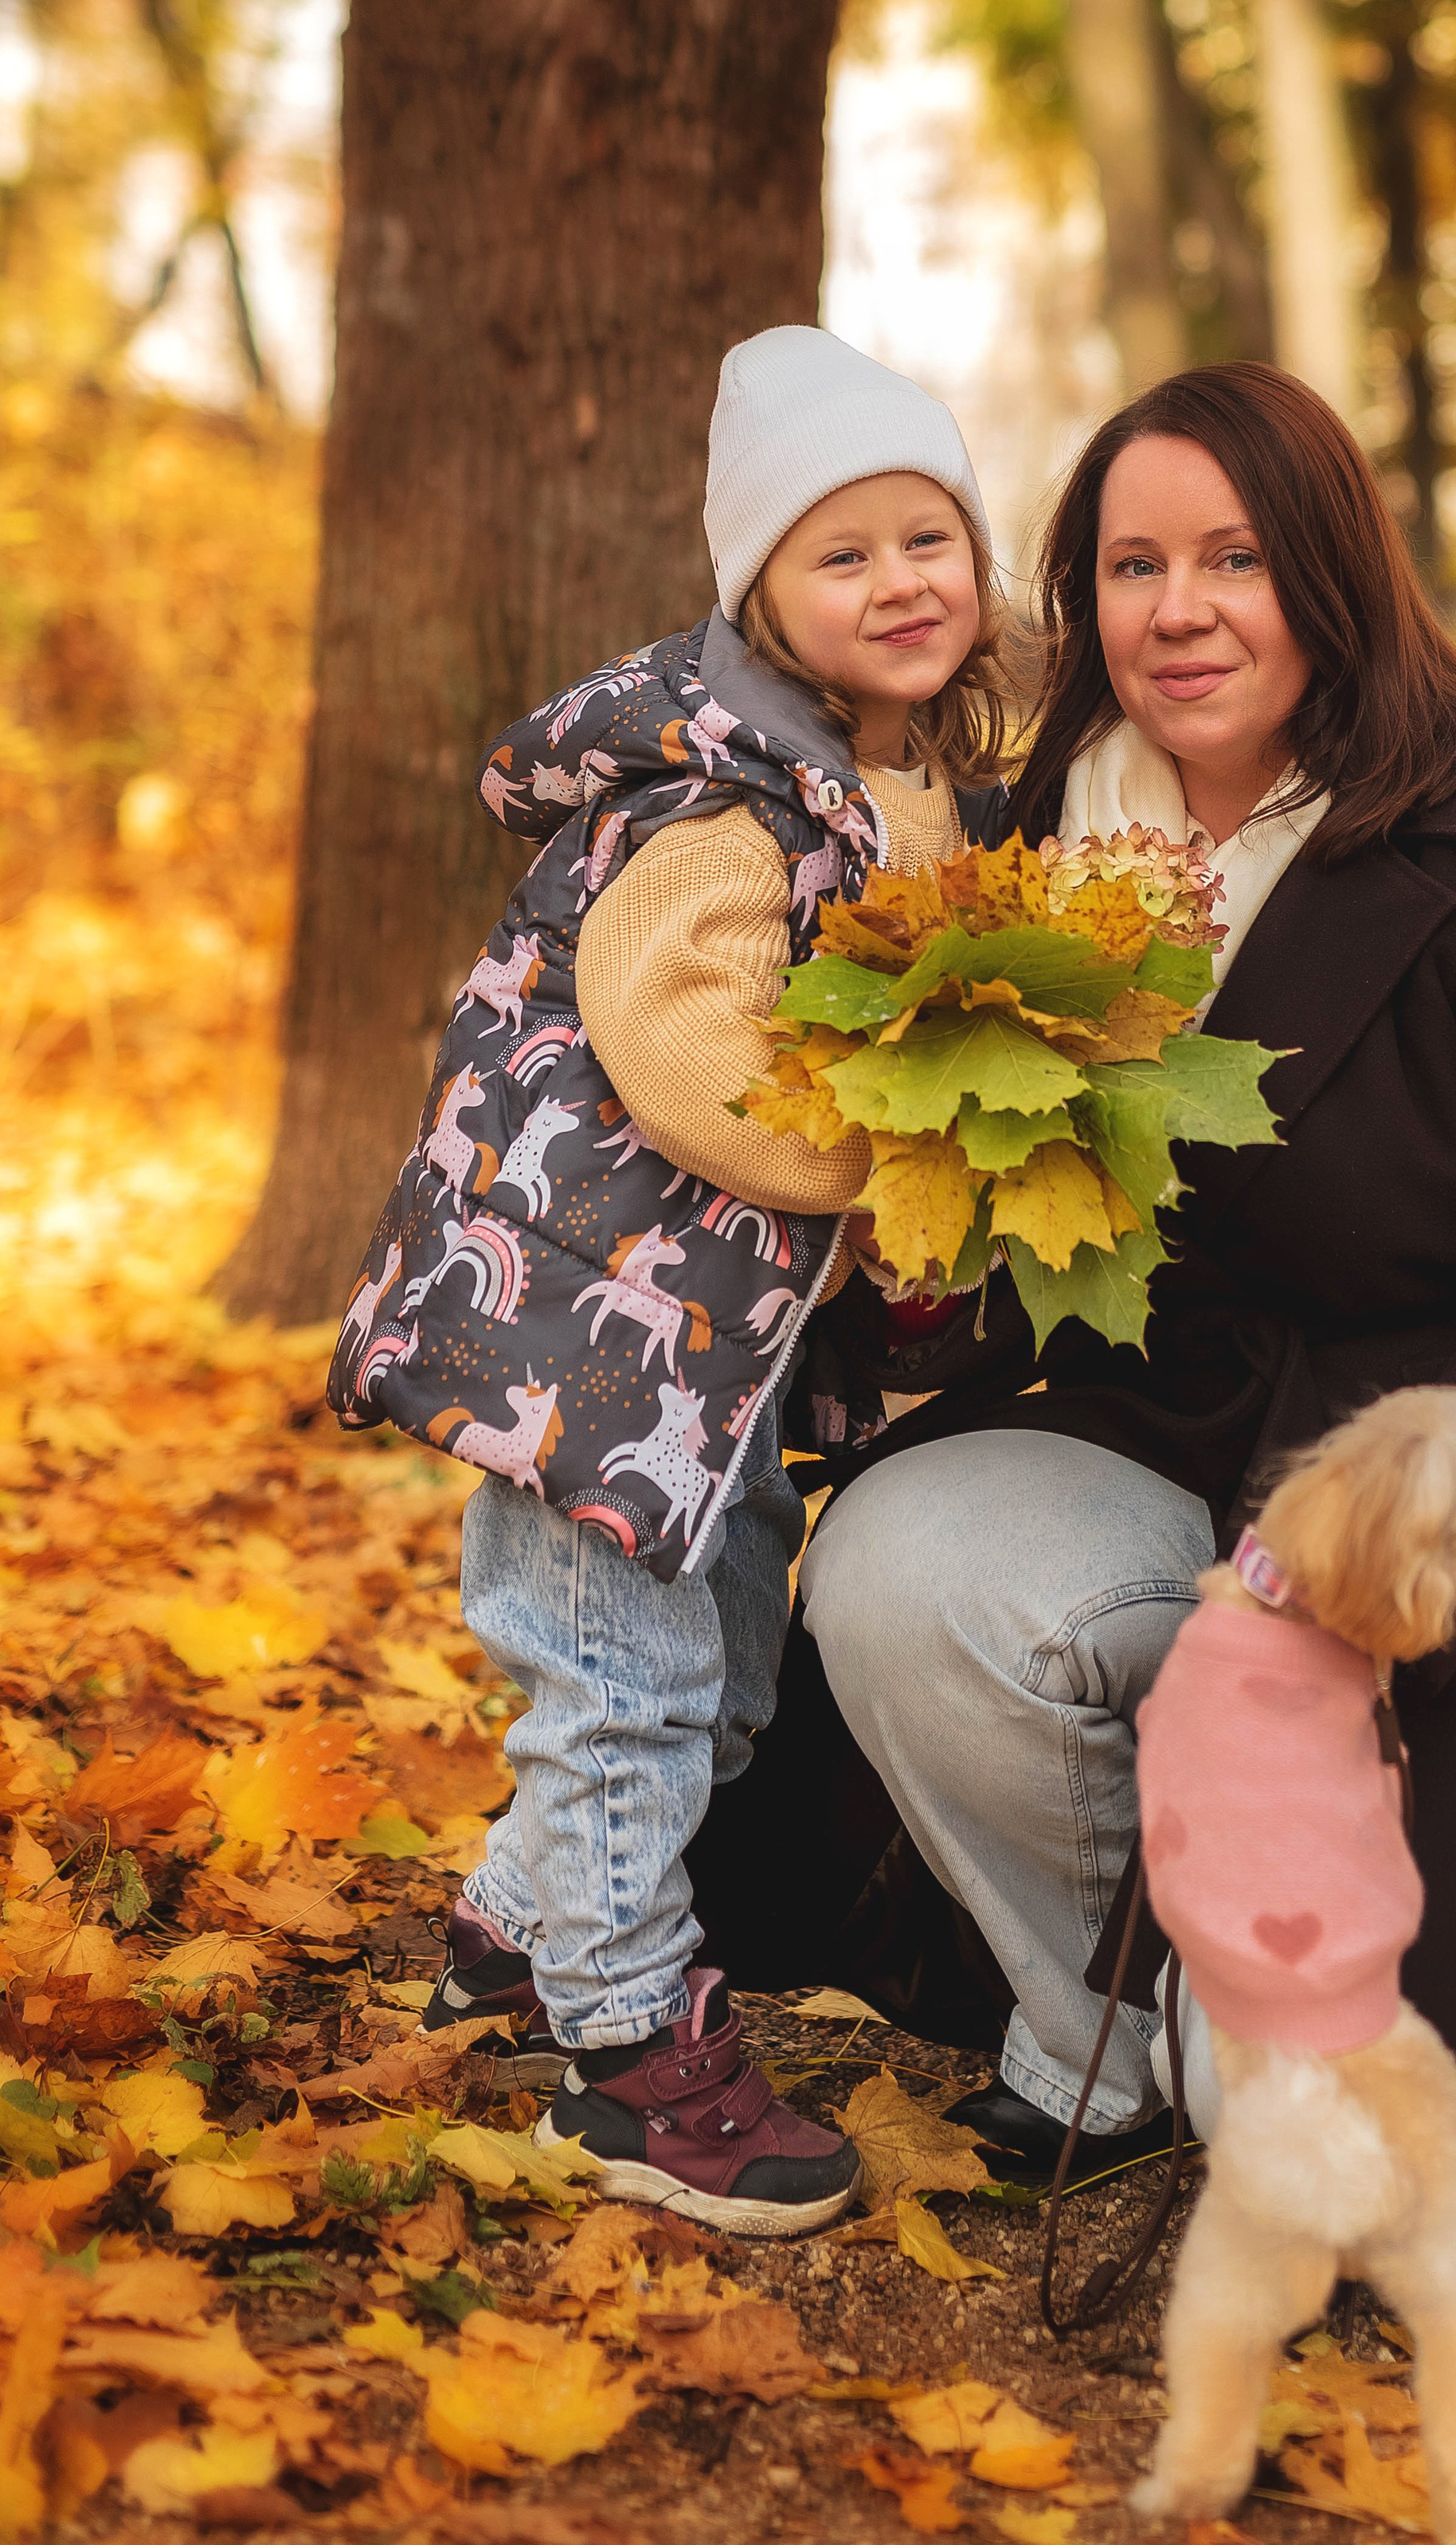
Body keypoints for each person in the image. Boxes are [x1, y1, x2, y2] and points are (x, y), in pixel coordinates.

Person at [691, 359, 1456, 2198]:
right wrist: (915, 1266)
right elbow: (1027, 1243)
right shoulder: (1034, 839)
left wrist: (1381, 1525)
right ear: (1080, 598)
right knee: (899, 1560)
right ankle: (1107, 2033)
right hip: (1180, 1443)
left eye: (1233, 559)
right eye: (1131, 566)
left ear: (1327, 579)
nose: (1177, 611)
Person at [329, 325, 1014, 2231]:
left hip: (715, 1367)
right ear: (766, 602)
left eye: (926, 538)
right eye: (841, 553)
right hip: (587, 1338)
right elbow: (688, 1050)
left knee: (708, 1675)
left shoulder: (901, 785)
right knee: (617, 1681)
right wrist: (895, 1151)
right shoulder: (714, 802)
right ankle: (626, 2049)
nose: (898, 582)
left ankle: (518, 1926)